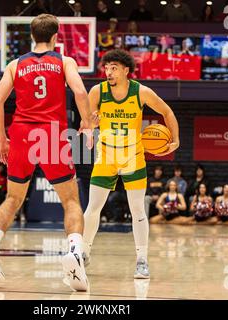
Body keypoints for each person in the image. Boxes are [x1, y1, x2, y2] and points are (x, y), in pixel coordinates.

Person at [0, 14, 94, 292]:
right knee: (71, 201)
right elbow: (79, 92)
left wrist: (1, 139)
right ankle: (75, 252)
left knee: (13, 197)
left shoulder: (15, 64)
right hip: (51, 134)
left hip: (21, 134)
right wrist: (87, 123)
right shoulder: (64, 62)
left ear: (32, 36)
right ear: (56, 37)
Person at [82, 49, 180, 279]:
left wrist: (175, 140)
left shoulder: (141, 92)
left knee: (137, 210)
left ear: (126, 70)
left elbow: (167, 111)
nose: (109, 72)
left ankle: (142, 260)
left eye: (114, 68)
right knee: (93, 208)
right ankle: (83, 254)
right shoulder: (98, 91)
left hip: (133, 156)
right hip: (106, 155)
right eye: (106, 68)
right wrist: (91, 124)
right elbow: (86, 122)